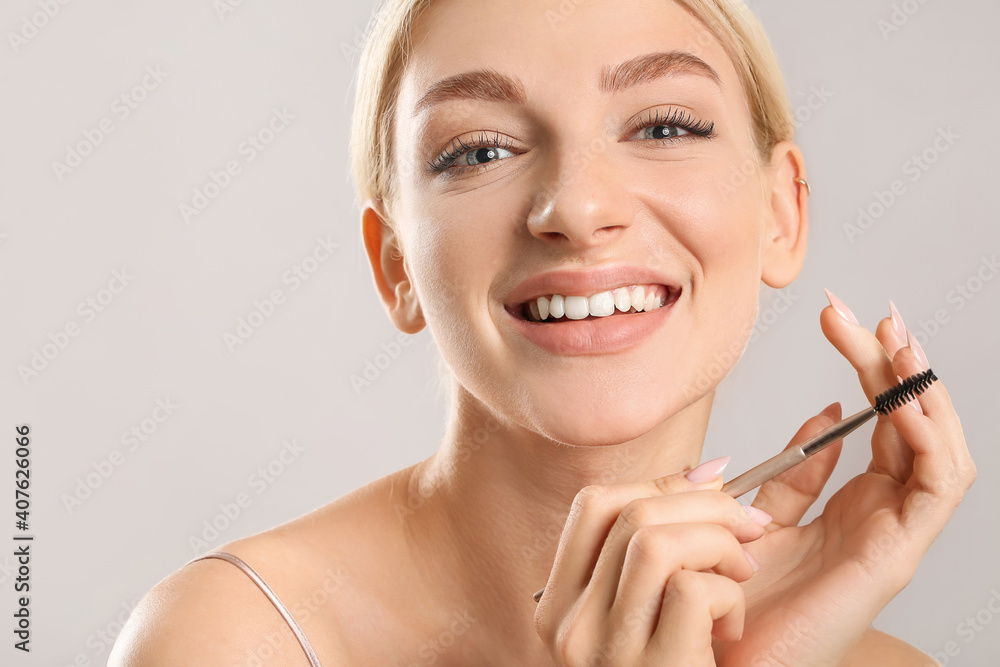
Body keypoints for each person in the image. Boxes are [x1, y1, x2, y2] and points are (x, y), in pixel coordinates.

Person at [110, 0, 975, 664]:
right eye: (479, 150)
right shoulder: (229, 640)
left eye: (664, 126)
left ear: (781, 211)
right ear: (397, 266)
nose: (578, 207)